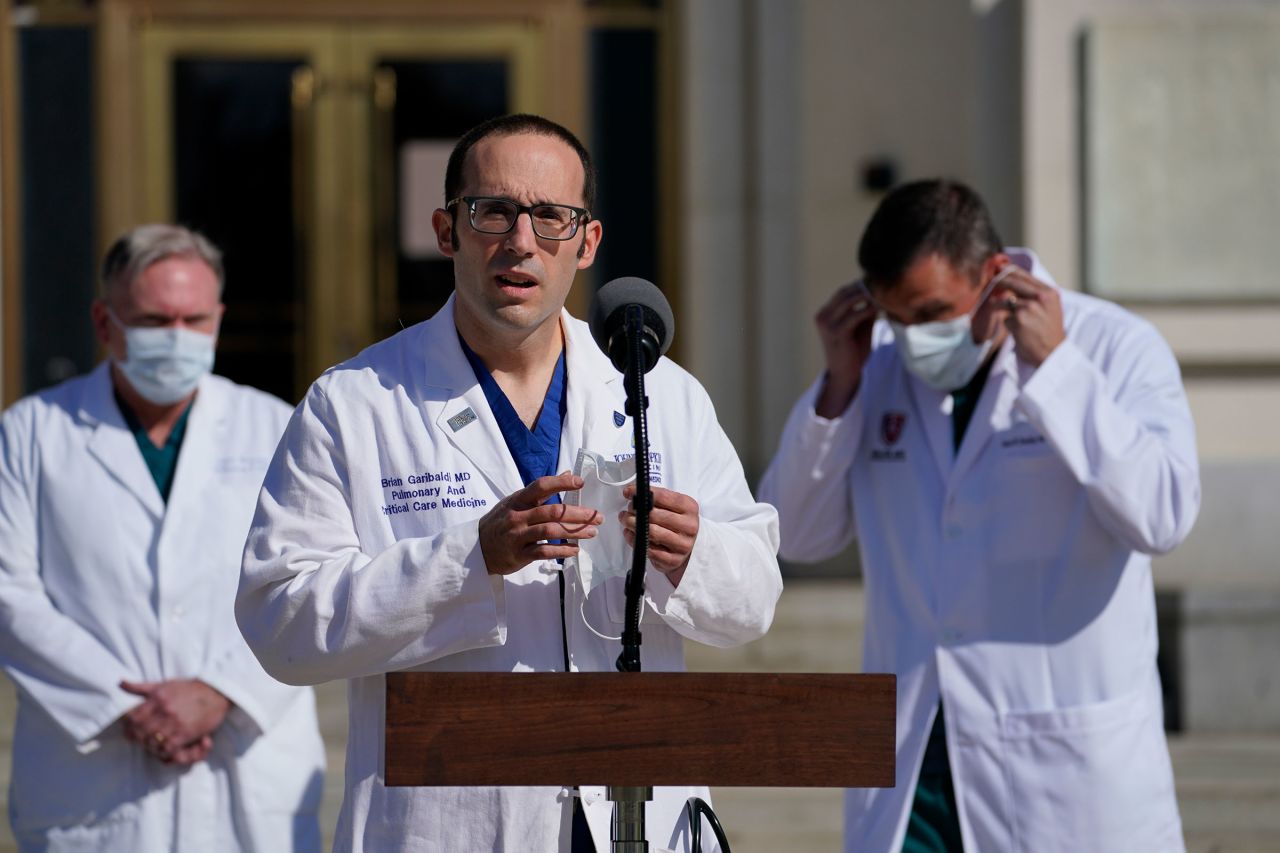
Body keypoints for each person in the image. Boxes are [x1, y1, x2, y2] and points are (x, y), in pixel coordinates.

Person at [235, 113, 781, 853]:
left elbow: (752, 601)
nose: (521, 241)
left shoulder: (664, 395)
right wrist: (469, 560)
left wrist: (695, 555)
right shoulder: (356, 402)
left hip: (633, 814)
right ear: (446, 230)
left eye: (550, 216)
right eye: (492, 211)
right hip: (448, 821)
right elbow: (282, 625)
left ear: (586, 243)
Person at [760, 179, 1200, 852]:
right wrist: (836, 391)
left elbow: (1163, 514)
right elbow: (796, 532)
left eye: (933, 314)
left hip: (1062, 771)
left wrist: (1056, 372)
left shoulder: (1113, 349)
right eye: (895, 319)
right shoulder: (872, 368)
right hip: (912, 772)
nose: (913, 340)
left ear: (997, 278)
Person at [0, 225, 325, 851]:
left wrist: (220, 692)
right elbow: (10, 595)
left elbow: (310, 578)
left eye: (193, 319)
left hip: (247, 767)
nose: (176, 338)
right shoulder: (30, 433)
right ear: (104, 322)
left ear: (218, 320)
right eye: (153, 320)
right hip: (92, 778)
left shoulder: (276, 427)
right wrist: (129, 706)